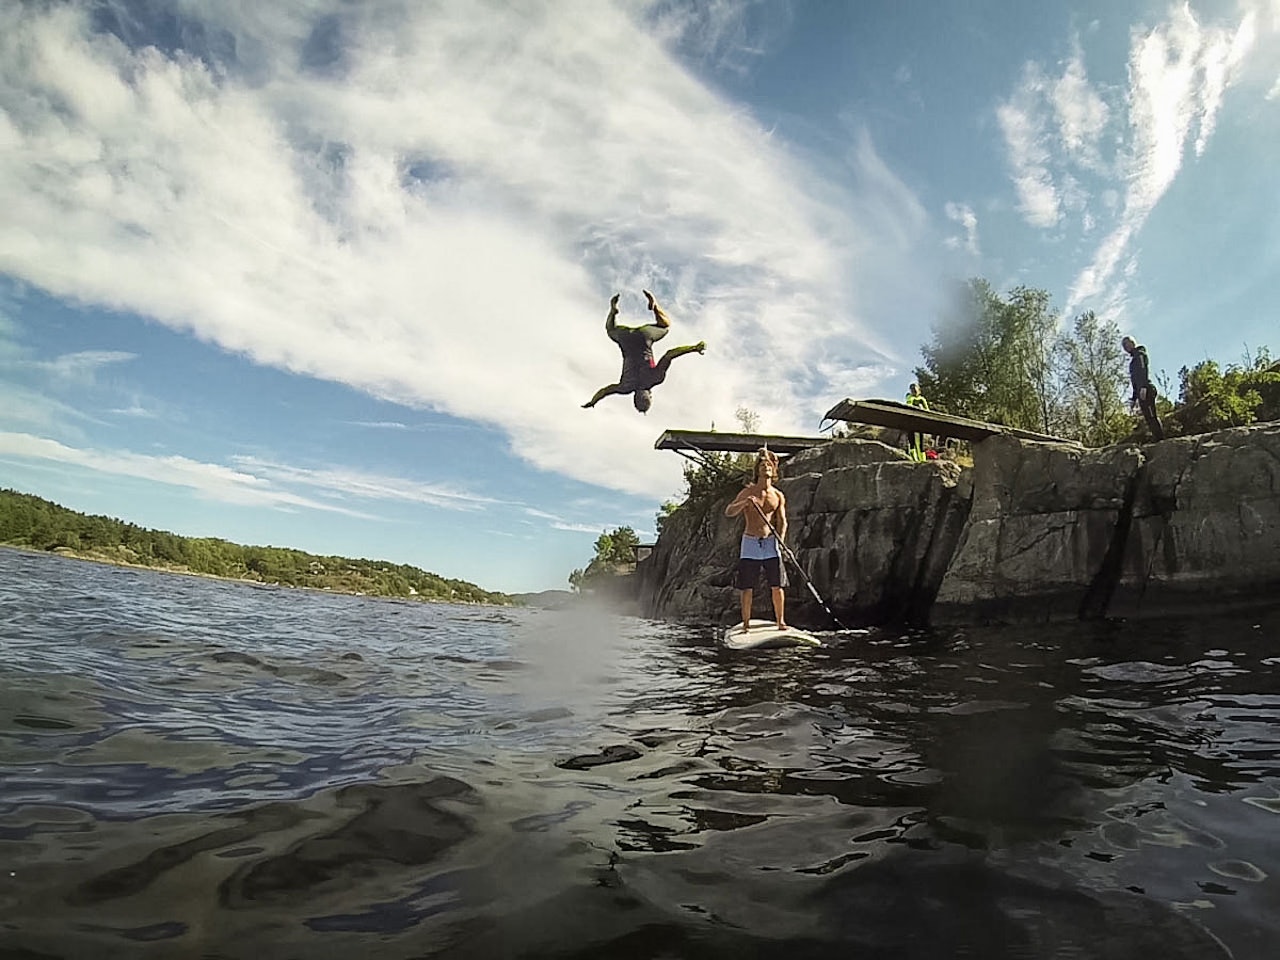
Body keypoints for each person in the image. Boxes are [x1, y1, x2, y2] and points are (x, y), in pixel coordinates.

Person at [582, 291, 706, 413]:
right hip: (625, 338)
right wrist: (593, 401)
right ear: (634, 398)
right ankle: (613, 311)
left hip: (644, 337)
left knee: (665, 326)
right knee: (610, 329)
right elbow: (604, 391)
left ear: (650, 396)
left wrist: (694, 348)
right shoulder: (624, 387)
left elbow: (670, 354)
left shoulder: (656, 378)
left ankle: (655, 307)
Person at [724, 448, 788, 633]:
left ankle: (780, 621)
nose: (765, 467)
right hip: (750, 542)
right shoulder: (748, 491)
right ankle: (746, 624)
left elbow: (782, 521)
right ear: (757, 470)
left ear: (773, 470)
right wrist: (744, 503)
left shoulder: (778, 495)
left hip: (770, 543)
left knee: (777, 585)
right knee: (747, 587)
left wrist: (781, 541)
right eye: (762, 465)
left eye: (768, 465)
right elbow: (729, 511)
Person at [1121, 335, 1165, 441]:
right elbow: (1135, 382)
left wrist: (1144, 387)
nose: (1125, 348)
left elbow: (1143, 370)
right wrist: (1133, 398)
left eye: (1126, 345)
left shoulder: (1140, 354)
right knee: (1148, 417)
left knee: (1151, 415)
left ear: (1132, 343)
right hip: (1141, 391)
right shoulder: (1132, 361)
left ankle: (1160, 438)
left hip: (1147, 389)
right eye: (1124, 347)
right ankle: (1157, 437)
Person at [904, 382, 930, 462]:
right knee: (911, 441)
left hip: (920, 423)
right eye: (912, 390)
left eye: (915, 390)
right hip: (910, 422)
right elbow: (908, 405)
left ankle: (922, 459)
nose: (914, 392)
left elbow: (927, 410)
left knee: (920, 442)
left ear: (919, 390)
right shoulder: (909, 397)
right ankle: (913, 459)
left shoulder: (922, 399)